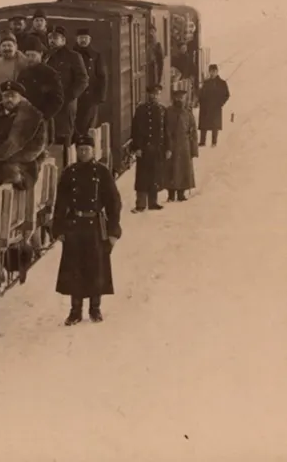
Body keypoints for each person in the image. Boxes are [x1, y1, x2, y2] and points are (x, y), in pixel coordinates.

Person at [52, 133, 122, 325]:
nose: (83, 153)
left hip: (95, 227)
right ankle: (75, 311)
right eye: (80, 150)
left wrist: (113, 230)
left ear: (93, 151)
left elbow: (114, 202)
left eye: (86, 150)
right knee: (75, 269)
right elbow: (60, 203)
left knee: (96, 268)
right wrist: (58, 228)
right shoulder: (69, 173)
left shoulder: (102, 172)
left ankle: (95, 309)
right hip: (74, 226)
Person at [0, 81, 48, 190]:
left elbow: (35, 148)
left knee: (7, 172)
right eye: (6, 96)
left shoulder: (33, 118)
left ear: (20, 98)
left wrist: (6, 159)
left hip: (22, 163)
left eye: (13, 96)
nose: (9, 99)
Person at [43, 25, 90, 145]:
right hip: (48, 104)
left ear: (63, 40)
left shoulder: (73, 56)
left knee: (63, 136)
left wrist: (69, 96)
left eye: (56, 38)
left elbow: (83, 80)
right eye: (50, 38)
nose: (52, 41)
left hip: (65, 106)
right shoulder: (46, 56)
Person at [17, 36, 65, 147]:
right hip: (25, 120)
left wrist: (43, 116)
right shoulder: (23, 74)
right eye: (27, 55)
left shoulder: (50, 74)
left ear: (41, 55)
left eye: (33, 55)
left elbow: (58, 100)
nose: (30, 58)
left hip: (43, 120)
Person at [129, 83, 167, 212]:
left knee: (155, 175)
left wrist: (168, 148)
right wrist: (137, 147)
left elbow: (166, 131)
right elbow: (136, 130)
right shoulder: (141, 110)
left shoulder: (163, 110)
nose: (155, 96)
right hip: (144, 149)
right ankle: (140, 204)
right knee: (142, 176)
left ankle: (153, 202)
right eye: (153, 94)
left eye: (157, 94)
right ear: (148, 95)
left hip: (157, 149)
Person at [162, 89, 198, 201]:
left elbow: (193, 131)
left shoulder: (187, 112)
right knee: (170, 169)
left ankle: (181, 193)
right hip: (171, 144)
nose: (180, 100)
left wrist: (194, 149)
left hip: (184, 145)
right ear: (174, 99)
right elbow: (164, 129)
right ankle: (171, 194)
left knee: (183, 169)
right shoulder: (168, 112)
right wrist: (166, 146)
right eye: (178, 98)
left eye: (182, 98)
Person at [73, 28, 107, 137]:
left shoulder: (96, 56)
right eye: (80, 38)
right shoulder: (71, 54)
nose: (83, 40)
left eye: (85, 38)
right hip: (75, 97)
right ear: (76, 39)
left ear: (90, 39)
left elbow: (102, 77)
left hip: (91, 98)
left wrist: (100, 97)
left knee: (88, 127)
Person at [197, 64, 230, 148]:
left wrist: (220, 103)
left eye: (214, 71)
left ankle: (214, 142)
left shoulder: (222, 83)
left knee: (214, 125)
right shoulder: (206, 82)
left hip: (215, 107)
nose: (212, 73)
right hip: (205, 106)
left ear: (217, 71)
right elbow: (201, 94)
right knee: (204, 125)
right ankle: (202, 141)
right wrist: (200, 101)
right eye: (211, 71)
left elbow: (227, 95)